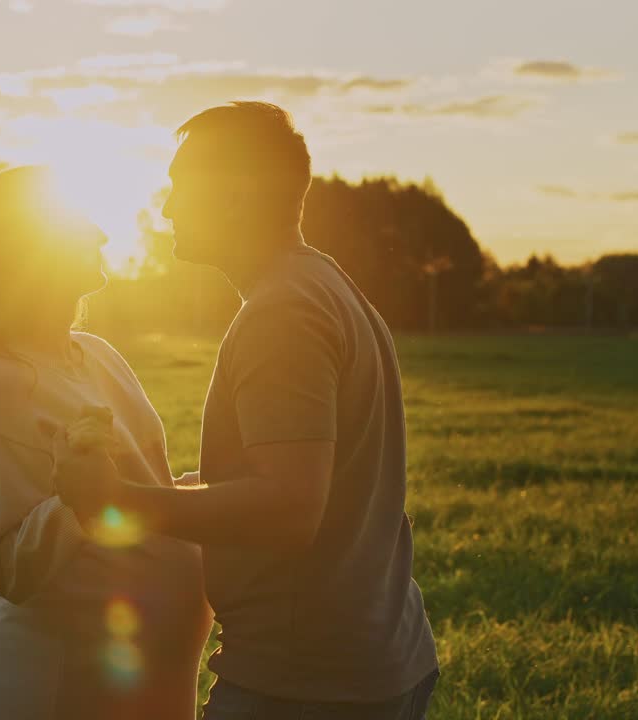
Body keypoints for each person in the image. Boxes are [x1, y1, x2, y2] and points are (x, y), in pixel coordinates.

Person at [55, 102, 440, 719]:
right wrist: (190, 487)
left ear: (235, 195)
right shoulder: (323, 286)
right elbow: (315, 480)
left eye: (181, 186)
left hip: (307, 683)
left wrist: (118, 499)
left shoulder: (283, 313)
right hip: (372, 658)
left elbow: (290, 508)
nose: (167, 208)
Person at [0, 166, 212, 720]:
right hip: (59, 681)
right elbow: (9, 566)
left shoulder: (100, 355)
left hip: (146, 674)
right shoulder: (4, 384)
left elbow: (138, 494)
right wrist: (79, 497)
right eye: (79, 223)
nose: (101, 234)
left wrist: (200, 493)